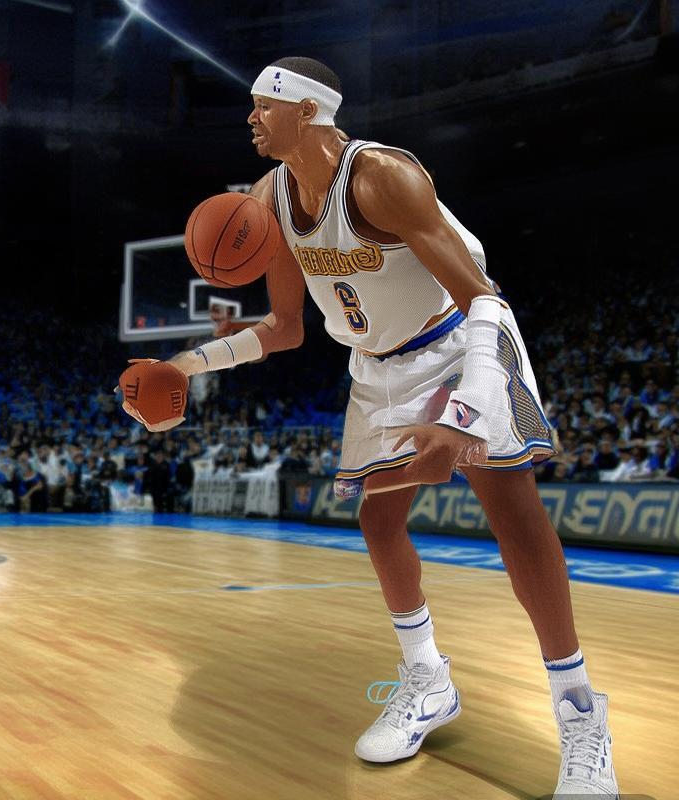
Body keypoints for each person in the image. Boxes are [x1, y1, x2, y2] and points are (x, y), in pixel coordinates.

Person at [123, 57, 616, 798]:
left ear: (308, 111)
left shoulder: (382, 177)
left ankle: (580, 715)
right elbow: (286, 328)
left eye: (263, 106)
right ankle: (428, 680)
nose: (251, 118)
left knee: (514, 517)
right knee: (379, 521)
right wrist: (187, 365)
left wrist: (461, 414)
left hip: (461, 344)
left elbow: (486, 300)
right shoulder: (268, 197)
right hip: (377, 366)